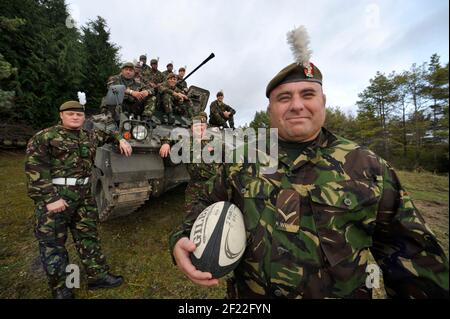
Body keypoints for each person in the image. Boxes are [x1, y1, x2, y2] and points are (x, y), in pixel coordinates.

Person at [169, 26, 449, 299]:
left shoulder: (367, 167)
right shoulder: (241, 160)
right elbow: (204, 203)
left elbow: (414, 259)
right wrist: (180, 238)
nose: (296, 105)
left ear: (323, 101)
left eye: (307, 94)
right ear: (270, 110)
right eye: (284, 97)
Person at [25, 100, 132, 299]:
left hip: (84, 195)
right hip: (57, 196)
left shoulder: (89, 135)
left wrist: (120, 139)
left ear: (84, 117)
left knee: (88, 237)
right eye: (70, 114)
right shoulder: (45, 136)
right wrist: (50, 198)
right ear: (61, 115)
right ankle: (61, 289)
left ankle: (97, 276)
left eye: (79, 114)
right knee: (53, 244)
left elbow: (109, 133)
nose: (75, 117)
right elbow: (35, 169)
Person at [159, 112, 216, 214]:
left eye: (202, 125)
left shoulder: (215, 139)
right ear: (192, 128)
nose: (200, 128)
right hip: (195, 183)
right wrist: (166, 144)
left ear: (206, 126)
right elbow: (169, 135)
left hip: (213, 183)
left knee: (214, 212)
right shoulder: (186, 140)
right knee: (190, 213)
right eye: (197, 126)